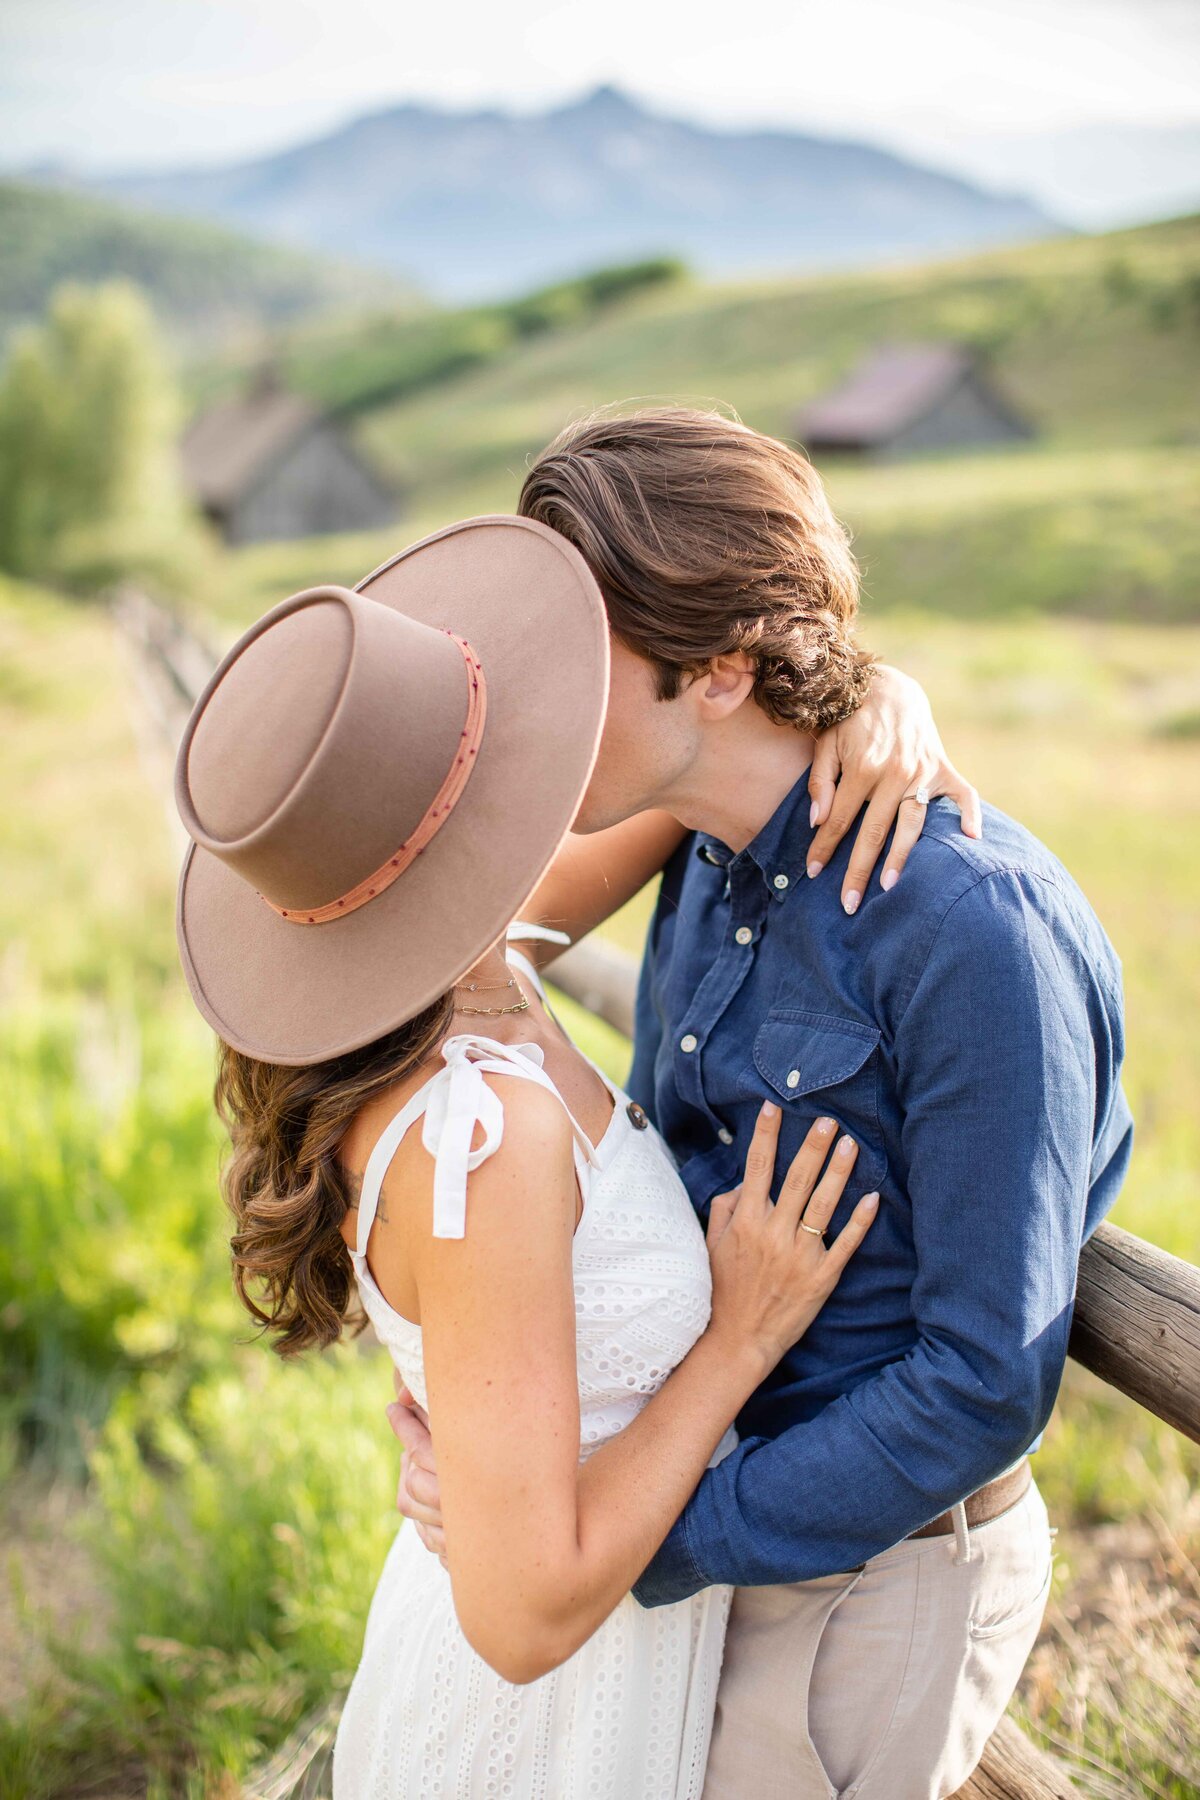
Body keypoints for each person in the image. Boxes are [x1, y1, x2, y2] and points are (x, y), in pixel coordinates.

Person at [172, 499, 974, 1799]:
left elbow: (712, 758)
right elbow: (524, 1614)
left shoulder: (459, 968)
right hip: (530, 1744)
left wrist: (881, 694)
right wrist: (739, 1341)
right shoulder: (480, 1133)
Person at [389, 406, 1134, 1799]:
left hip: (871, 1578)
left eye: (573, 650)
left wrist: (622, 1534)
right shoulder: (708, 850)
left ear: (721, 670)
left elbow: (984, 1382)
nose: (527, 697)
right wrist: (540, 1495)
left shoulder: (974, 930)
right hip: (709, 1527)